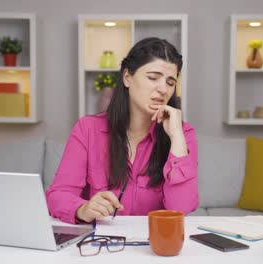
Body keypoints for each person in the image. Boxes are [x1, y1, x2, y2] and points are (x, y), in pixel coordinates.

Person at [46, 37, 198, 224]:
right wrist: (82, 209)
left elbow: (181, 210)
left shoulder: (183, 134)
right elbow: (58, 195)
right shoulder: (87, 129)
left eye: (170, 82)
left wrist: (176, 138)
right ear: (127, 78)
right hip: (102, 243)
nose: (163, 89)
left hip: (154, 245)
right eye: (153, 78)